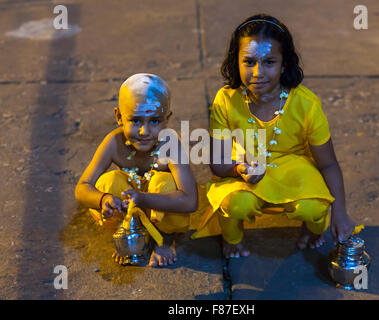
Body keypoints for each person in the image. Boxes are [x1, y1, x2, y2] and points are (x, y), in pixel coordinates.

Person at [191, 14, 357, 259]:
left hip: (294, 164)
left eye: (269, 62)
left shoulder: (306, 104)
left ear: (284, 64)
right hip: (245, 162)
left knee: (314, 207)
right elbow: (218, 164)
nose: (258, 72)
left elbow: (329, 164)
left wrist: (341, 212)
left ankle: (311, 230)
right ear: (235, 62)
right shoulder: (226, 100)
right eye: (248, 61)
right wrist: (239, 170)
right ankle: (233, 238)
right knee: (236, 204)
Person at [75, 73, 198, 267]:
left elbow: (190, 200)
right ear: (118, 117)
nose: (144, 132)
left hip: (161, 213)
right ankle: (126, 237)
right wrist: (104, 199)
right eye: (136, 121)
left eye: (155, 121)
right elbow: (82, 187)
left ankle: (164, 241)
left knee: (162, 183)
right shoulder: (114, 143)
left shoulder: (170, 145)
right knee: (107, 182)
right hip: (128, 212)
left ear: (167, 119)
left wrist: (142, 198)